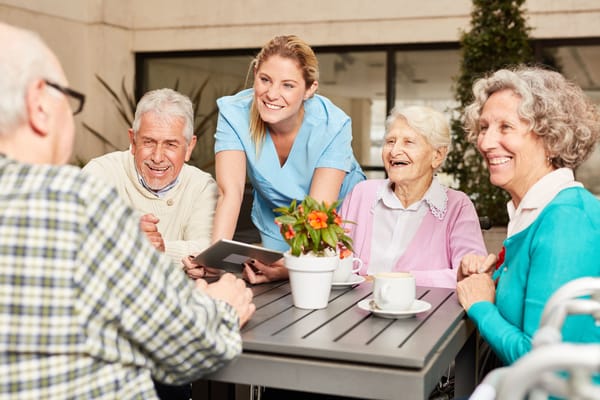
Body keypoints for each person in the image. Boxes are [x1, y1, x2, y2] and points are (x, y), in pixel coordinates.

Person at [0, 22, 255, 399]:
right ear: (40, 105)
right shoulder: (76, 200)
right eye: (68, 99)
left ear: (188, 146)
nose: (157, 155)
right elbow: (188, 346)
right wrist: (223, 308)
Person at [186, 34, 365, 282]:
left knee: (328, 288)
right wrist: (214, 263)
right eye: (265, 80)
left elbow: (318, 213)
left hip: (334, 220)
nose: (272, 94)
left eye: (288, 85)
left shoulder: (333, 125)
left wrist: (292, 269)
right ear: (256, 73)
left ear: (310, 89)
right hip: (278, 218)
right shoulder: (234, 113)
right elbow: (231, 193)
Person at [456, 65, 600, 367]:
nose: (485, 142)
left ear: (550, 139)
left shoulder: (568, 222)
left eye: (505, 127)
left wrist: (481, 306)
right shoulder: (537, 212)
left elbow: (543, 364)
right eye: (484, 128)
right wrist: (487, 281)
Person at [340, 105, 487, 288]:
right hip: (351, 310)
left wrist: (396, 279)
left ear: (437, 155)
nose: (394, 151)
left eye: (408, 142)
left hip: (425, 314)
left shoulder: (458, 206)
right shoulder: (361, 194)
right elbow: (331, 256)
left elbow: (471, 275)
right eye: (390, 141)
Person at [83, 88, 216, 264]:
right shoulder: (100, 173)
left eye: (170, 144)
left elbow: (208, 249)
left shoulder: (202, 186)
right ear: (133, 140)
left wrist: (162, 249)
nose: (157, 157)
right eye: (148, 142)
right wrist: (125, 235)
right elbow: (73, 233)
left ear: (189, 146)